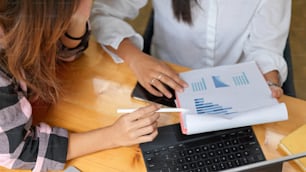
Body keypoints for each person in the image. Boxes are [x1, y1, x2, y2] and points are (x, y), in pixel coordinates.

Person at [0, 1, 160, 171]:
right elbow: (18, 152)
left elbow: (63, 51)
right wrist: (113, 135)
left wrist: (78, 17)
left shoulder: (27, 26)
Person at [90, 0, 291, 99]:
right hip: (167, 85)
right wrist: (135, 58)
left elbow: (265, 47)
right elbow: (101, 12)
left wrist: (270, 81)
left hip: (235, 90)